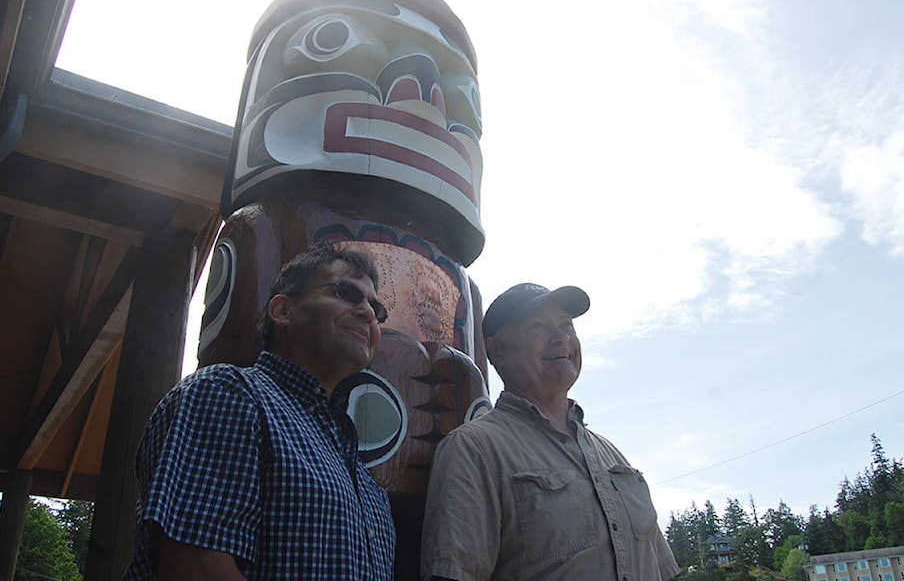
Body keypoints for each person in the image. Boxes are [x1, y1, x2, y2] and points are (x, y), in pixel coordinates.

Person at [123, 244, 396, 580]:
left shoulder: (366, 482)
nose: (368, 313)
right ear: (282, 311)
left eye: (377, 310)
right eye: (346, 293)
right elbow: (194, 567)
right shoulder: (228, 395)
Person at [421, 283, 680, 581]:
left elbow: (664, 570)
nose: (562, 338)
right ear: (497, 350)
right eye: (539, 327)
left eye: (567, 325)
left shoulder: (611, 455)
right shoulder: (473, 449)